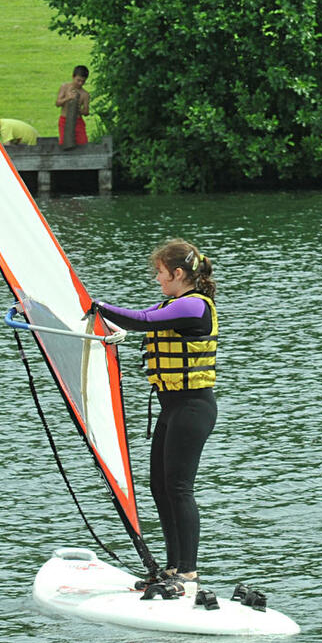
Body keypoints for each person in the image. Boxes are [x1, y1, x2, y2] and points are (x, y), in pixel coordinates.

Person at [91, 240, 218, 597]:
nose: (157, 279)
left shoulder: (194, 306)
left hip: (193, 408)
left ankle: (189, 574)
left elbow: (142, 320)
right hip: (173, 409)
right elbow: (142, 323)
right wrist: (114, 330)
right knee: (159, 487)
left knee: (178, 489)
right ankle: (172, 568)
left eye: (160, 273)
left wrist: (94, 306)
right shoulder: (174, 304)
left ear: (178, 274)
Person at [55, 65, 90, 149]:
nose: (80, 83)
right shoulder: (65, 87)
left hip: (78, 121)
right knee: (64, 144)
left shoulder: (85, 94)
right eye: (78, 80)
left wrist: (79, 110)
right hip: (64, 120)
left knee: (83, 143)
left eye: (83, 81)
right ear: (73, 77)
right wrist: (68, 98)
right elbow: (57, 103)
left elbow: (86, 112)